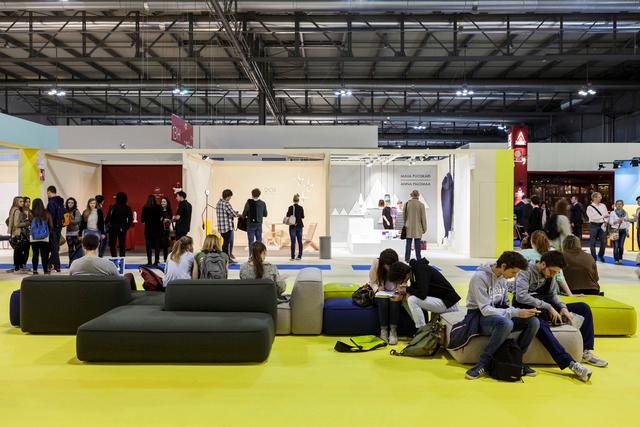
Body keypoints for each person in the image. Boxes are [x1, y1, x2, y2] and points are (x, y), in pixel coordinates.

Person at [514, 251, 608, 382]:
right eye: (552, 271)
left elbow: (553, 295)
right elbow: (520, 296)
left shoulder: (551, 275)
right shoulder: (526, 271)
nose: (553, 275)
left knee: (584, 308)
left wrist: (563, 308)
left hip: (546, 307)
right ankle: (570, 363)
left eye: (556, 273)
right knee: (540, 324)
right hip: (528, 309)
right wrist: (549, 307)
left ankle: (585, 352)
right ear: (543, 264)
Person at [459, 251, 540, 380]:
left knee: (533, 322)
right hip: (478, 316)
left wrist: (521, 312)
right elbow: (485, 309)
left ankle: (516, 360)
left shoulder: (503, 278)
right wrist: (515, 313)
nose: (514, 276)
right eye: (513, 272)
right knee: (506, 323)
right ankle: (483, 364)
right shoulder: (479, 278)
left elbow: (506, 305)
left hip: (497, 313)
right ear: (503, 266)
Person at [405, 257, 461, 328]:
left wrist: (407, 288)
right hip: (445, 301)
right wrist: (408, 290)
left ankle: (421, 329)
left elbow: (422, 295)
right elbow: (418, 291)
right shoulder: (415, 271)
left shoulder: (420, 269)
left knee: (412, 300)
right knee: (412, 298)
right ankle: (423, 328)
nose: (404, 282)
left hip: (449, 303)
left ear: (405, 274)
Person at [69, 234, 137, 290]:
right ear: (98, 245)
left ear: (83, 246)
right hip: (105, 295)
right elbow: (119, 281)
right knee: (129, 276)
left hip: (82, 295)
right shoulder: (109, 264)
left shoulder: (74, 264)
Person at [520, 230, 575, 296]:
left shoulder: (524, 253)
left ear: (532, 243)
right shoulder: (554, 252)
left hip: (530, 291)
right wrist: (570, 294)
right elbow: (560, 278)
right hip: (552, 292)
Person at [30, 198, 54, 275]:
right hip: (45, 237)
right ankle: (45, 270)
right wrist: (47, 232)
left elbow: (30, 225)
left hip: (34, 238)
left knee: (35, 254)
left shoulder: (30, 213)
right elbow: (51, 226)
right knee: (44, 255)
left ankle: (35, 270)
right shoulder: (47, 213)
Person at [105, 192, 133, 258]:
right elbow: (130, 220)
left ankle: (114, 258)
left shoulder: (112, 207)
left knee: (112, 244)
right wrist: (126, 228)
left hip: (112, 228)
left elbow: (108, 218)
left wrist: (106, 224)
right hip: (122, 228)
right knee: (122, 245)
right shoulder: (127, 208)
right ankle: (122, 259)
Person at [403, 190, 427, 263]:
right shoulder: (421, 205)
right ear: (418, 195)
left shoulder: (407, 204)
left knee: (408, 244)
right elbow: (423, 218)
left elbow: (404, 216)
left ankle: (407, 258)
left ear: (411, 195)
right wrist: (424, 228)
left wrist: (406, 223)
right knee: (417, 245)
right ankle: (418, 259)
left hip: (408, 227)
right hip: (418, 227)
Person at [216, 189, 239, 263]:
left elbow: (226, 213)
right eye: (230, 197)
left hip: (221, 227)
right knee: (227, 244)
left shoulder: (219, 203)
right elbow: (233, 214)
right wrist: (238, 214)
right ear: (227, 196)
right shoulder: (226, 204)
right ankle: (227, 259)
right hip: (227, 227)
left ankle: (225, 258)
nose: (230, 198)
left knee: (225, 243)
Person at [7, 196, 29, 273]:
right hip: (18, 233)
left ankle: (17, 267)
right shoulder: (17, 211)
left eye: (23, 201)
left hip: (14, 233)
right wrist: (27, 223)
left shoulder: (12, 209)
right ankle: (18, 268)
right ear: (16, 202)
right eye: (20, 201)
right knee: (21, 250)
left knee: (17, 251)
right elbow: (16, 224)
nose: (22, 203)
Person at [46, 185, 65, 273]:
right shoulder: (60, 202)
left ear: (49, 192)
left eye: (47, 193)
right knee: (56, 247)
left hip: (53, 228)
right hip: (59, 227)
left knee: (54, 248)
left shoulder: (51, 203)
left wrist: (48, 227)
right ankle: (50, 263)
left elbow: (51, 216)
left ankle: (57, 266)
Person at [586, 192, 609, 262]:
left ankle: (601, 255)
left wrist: (606, 221)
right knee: (592, 242)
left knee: (604, 241)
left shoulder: (603, 205)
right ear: (594, 198)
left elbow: (607, 214)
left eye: (600, 197)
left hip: (602, 225)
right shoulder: (589, 207)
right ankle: (594, 257)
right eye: (599, 197)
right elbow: (592, 217)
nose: (600, 198)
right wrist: (602, 216)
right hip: (593, 225)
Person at [609, 199, 634, 265]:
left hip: (623, 230)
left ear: (623, 205)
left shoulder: (625, 213)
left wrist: (627, 230)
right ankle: (616, 259)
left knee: (621, 246)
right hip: (614, 230)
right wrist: (617, 221)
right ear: (615, 205)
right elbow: (610, 222)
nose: (619, 205)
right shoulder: (612, 213)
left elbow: (627, 223)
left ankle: (620, 258)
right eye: (617, 204)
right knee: (616, 246)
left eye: (620, 204)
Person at [141, 195, 163, 267]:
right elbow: (161, 218)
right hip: (157, 229)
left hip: (148, 229)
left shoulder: (145, 208)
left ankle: (149, 262)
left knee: (149, 247)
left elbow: (142, 220)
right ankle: (156, 261)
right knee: (157, 246)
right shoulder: (159, 207)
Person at [286, 194, 305, 261]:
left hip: (292, 226)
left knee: (293, 242)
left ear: (293, 200)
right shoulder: (301, 208)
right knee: (300, 241)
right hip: (299, 226)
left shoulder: (290, 207)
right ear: (298, 200)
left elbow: (287, 215)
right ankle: (299, 256)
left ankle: (292, 257)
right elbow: (303, 216)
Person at [65, 197, 83, 265]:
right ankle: (71, 263)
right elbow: (64, 222)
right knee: (70, 249)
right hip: (68, 233)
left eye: (72, 203)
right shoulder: (65, 211)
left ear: (74, 204)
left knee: (78, 249)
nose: (70, 204)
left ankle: (78, 264)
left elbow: (77, 221)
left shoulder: (76, 211)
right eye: (69, 202)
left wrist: (68, 219)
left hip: (76, 233)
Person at [160, 197, 173, 263]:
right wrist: (162, 220)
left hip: (166, 229)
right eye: (162, 202)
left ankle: (165, 258)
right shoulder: (159, 211)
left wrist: (168, 220)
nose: (163, 203)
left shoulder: (169, 211)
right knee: (159, 244)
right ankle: (157, 259)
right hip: (159, 229)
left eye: (164, 202)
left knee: (165, 244)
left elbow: (171, 220)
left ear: (167, 203)